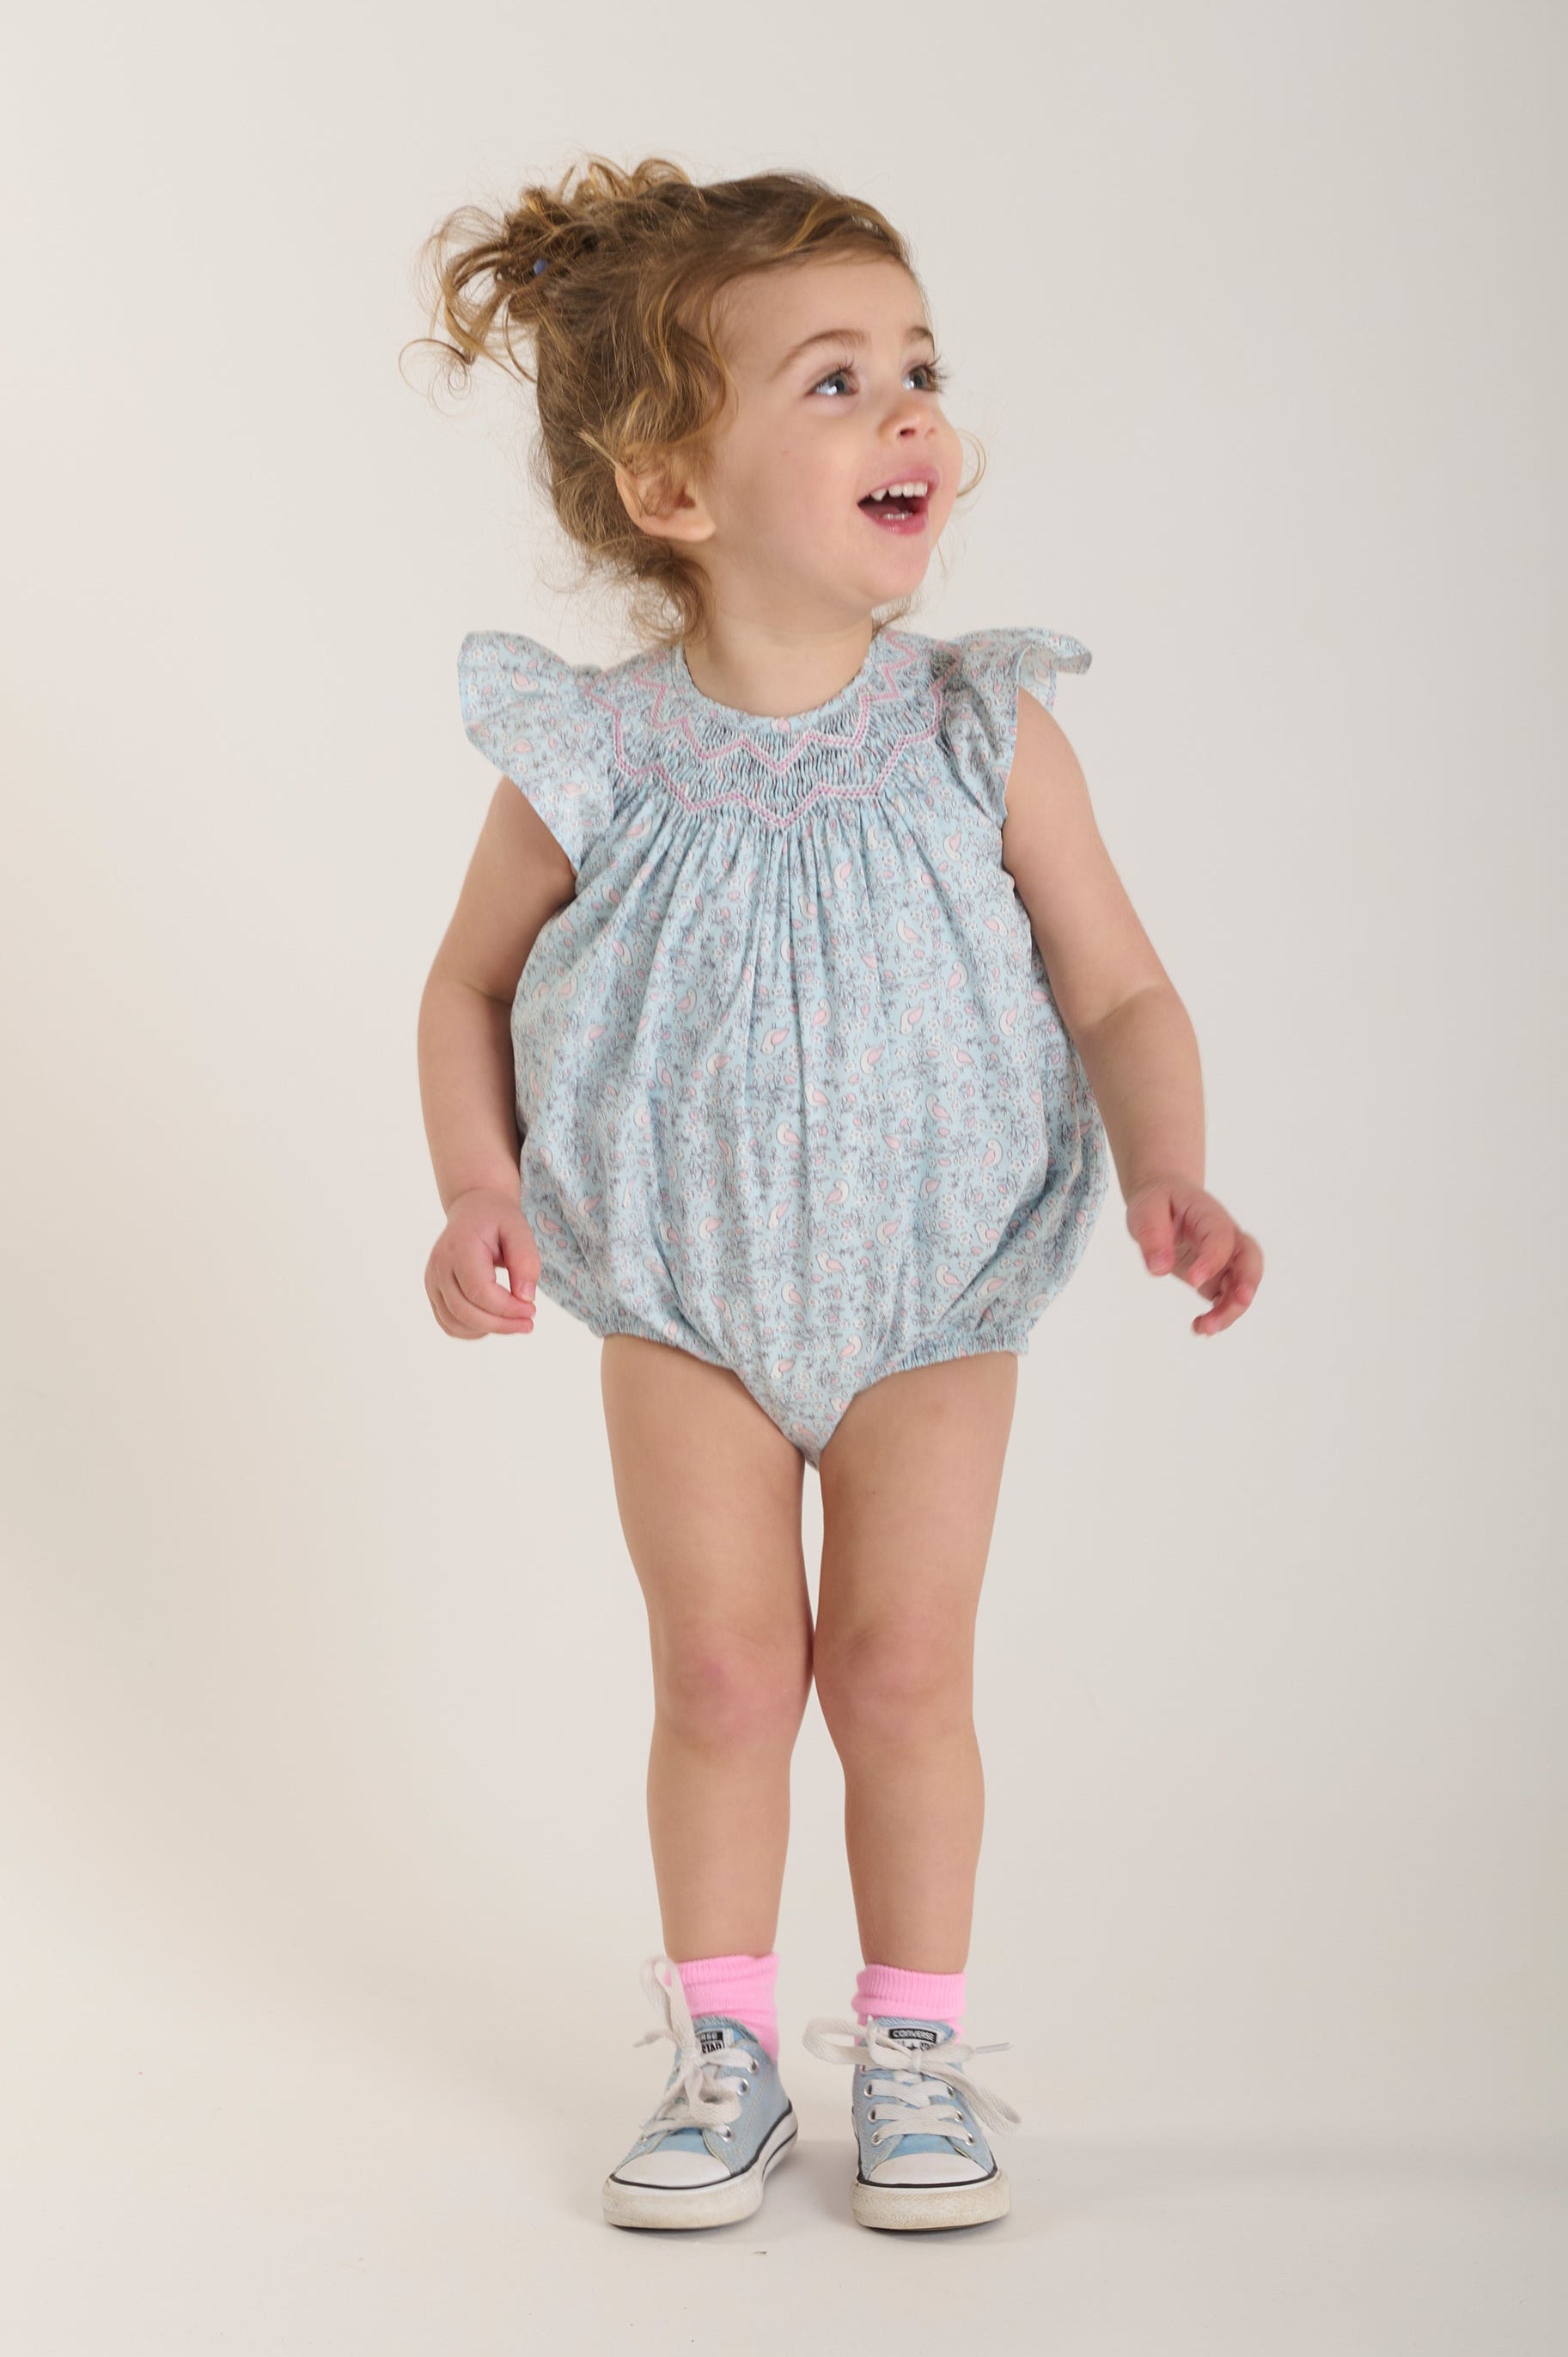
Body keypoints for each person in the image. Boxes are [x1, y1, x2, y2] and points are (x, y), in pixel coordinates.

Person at [411, 154, 1264, 2235]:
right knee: (722, 1676)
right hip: (678, 1289)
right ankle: (720, 2053)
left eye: (918, 368)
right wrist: (472, 1189)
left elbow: (1120, 985)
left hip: (931, 1288)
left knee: (896, 1669)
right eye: (833, 380)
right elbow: (466, 984)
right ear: (670, 488)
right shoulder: (593, 754)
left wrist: (1168, 1161)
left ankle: (911, 2047)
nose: (909, 413)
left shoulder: (982, 730)